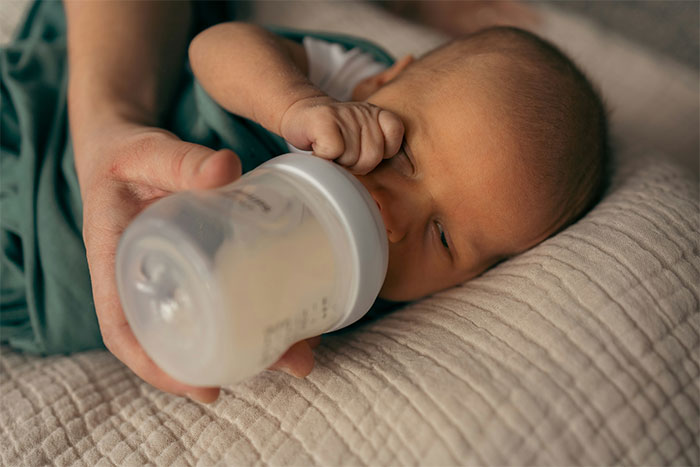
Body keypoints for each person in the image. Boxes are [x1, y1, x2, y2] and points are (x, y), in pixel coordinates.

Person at [0, 1, 608, 404]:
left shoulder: (366, 295)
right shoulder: (339, 89)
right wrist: (292, 102)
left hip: (39, 292)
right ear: (377, 85)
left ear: (471, 280)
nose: (392, 218)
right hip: (41, 145)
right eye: (402, 157)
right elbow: (215, 48)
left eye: (443, 238)